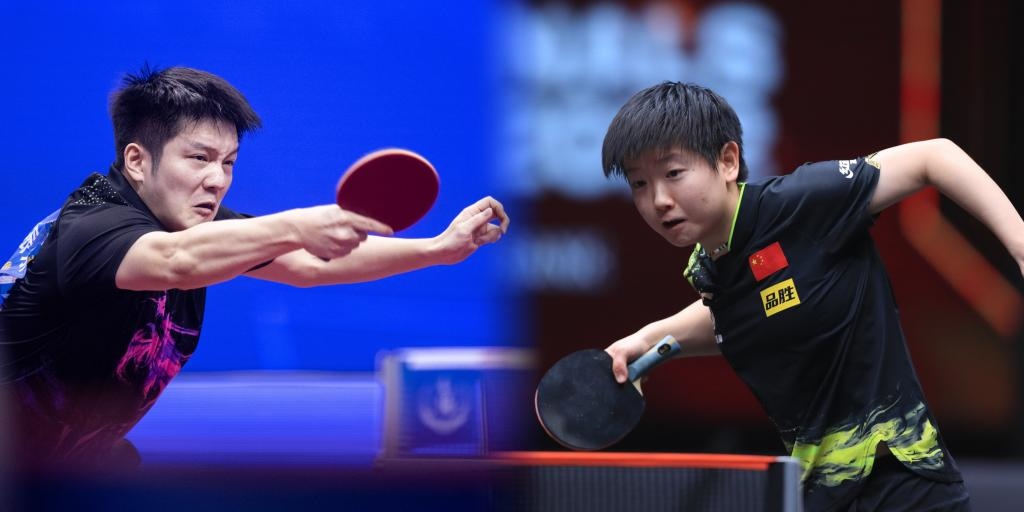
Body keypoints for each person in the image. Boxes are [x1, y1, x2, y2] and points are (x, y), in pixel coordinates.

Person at [0, 66, 509, 468]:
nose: (217, 179)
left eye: (228, 162)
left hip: (70, 459)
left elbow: (309, 265)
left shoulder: (195, 222)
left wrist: (436, 250)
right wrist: (294, 224)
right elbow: (175, 260)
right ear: (137, 161)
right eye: (199, 158)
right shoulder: (91, 226)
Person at [601, 82, 1022, 510]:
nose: (658, 199)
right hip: (821, 496)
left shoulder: (802, 204)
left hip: (905, 486)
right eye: (639, 183)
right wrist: (649, 339)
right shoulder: (711, 269)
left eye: (673, 173)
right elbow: (738, 313)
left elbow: (934, 157)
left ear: (727, 161)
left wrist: (1021, 246)